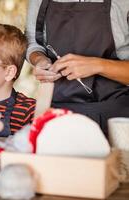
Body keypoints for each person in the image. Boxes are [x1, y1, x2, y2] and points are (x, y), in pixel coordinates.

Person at [26, 0, 129, 135]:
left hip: (115, 114)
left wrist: (98, 65)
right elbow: (34, 42)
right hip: (57, 114)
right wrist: (39, 59)